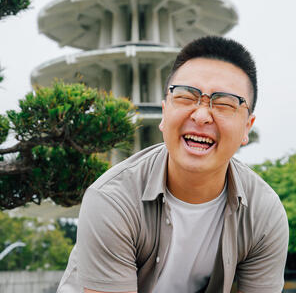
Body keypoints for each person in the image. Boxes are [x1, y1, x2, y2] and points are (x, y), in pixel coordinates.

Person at [57, 36, 289, 293]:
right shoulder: (114, 200)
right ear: (164, 112)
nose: (201, 116)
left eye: (223, 104)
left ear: (247, 127)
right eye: (186, 97)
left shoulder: (263, 214)